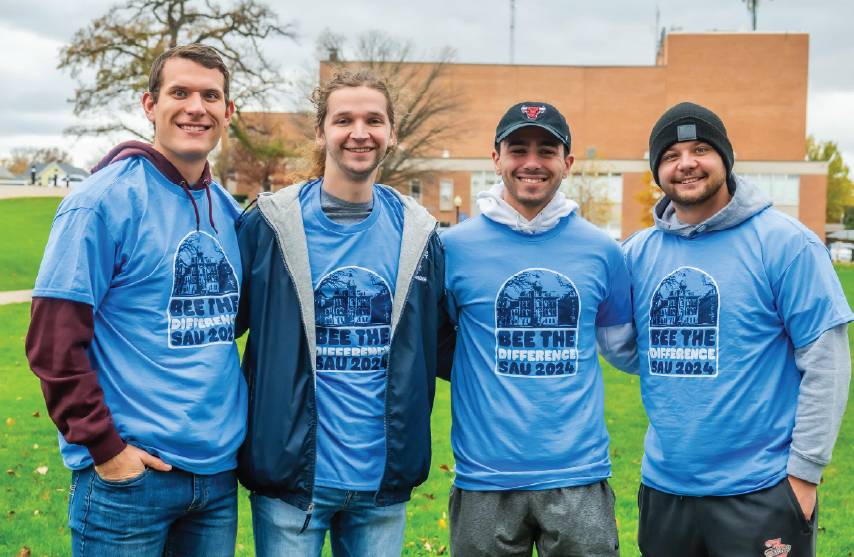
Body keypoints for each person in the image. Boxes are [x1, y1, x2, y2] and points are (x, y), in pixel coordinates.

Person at [25, 44, 245, 556]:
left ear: (228, 112)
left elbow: (226, 322)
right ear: (150, 105)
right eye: (180, 92)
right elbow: (52, 341)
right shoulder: (100, 202)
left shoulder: (230, 212)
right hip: (129, 478)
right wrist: (106, 450)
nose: (197, 107)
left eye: (211, 95)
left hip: (215, 479)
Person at [604, 102, 852, 556]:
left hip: (763, 490)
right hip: (665, 489)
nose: (687, 164)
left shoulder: (787, 243)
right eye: (671, 155)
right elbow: (622, 345)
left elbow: (828, 364)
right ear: (658, 170)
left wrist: (803, 474)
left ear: (725, 158)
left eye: (701, 149)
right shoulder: (637, 253)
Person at [234, 67, 448, 557]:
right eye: (343, 119)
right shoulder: (268, 225)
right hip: (290, 483)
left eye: (373, 120)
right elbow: (217, 330)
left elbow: (444, 343)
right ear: (320, 131)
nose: (359, 132)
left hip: (383, 484)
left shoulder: (420, 234)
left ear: (391, 133)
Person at [440, 102, 632, 557]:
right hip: (484, 475)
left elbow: (621, 345)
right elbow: (439, 340)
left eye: (547, 150)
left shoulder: (603, 251)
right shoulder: (451, 248)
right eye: (517, 149)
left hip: (578, 476)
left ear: (567, 163)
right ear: (496, 159)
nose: (531, 162)